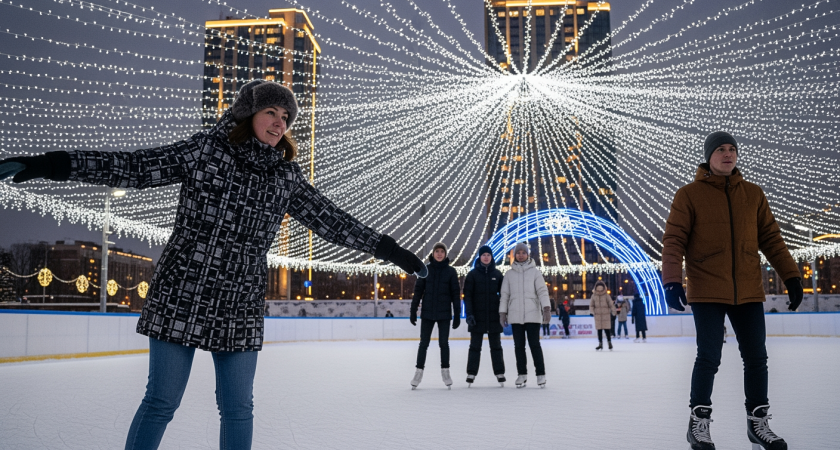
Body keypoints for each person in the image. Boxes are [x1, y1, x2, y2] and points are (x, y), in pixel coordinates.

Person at [0, 79, 426, 450]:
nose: (280, 123)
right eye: (271, 112)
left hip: (238, 300)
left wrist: (393, 252)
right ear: (248, 114)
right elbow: (133, 167)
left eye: (286, 117)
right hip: (183, 290)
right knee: (161, 400)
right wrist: (50, 164)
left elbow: (332, 221)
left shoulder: (285, 177)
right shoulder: (206, 150)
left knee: (238, 408)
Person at [662, 131, 803, 450]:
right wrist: (672, 280)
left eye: (732, 149)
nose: (728, 154)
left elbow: (771, 239)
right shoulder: (689, 195)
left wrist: (791, 276)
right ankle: (698, 423)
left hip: (748, 289)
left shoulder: (752, 194)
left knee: (757, 358)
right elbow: (674, 241)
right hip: (707, 288)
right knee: (708, 356)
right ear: (709, 156)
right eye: (721, 149)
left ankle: (758, 423)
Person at [410, 242, 461, 390]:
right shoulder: (425, 270)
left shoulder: (451, 272)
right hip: (427, 313)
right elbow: (418, 291)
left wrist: (457, 314)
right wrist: (413, 310)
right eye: (437, 251)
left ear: (445, 254)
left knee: (443, 344)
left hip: (444, 314)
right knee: (423, 344)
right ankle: (418, 373)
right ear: (433, 253)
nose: (439, 254)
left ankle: (446, 372)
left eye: (442, 251)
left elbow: (455, 294)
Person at [499, 242, 550, 388]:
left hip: (532, 314)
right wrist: (503, 313)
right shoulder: (509, 274)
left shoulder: (535, 272)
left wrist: (546, 308)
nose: (521, 255)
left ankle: (541, 375)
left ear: (528, 254)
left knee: (535, 345)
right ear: (514, 255)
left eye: (523, 252)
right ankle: (522, 374)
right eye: (518, 252)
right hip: (515, 315)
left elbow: (542, 291)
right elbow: (505, 295)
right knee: (519, 346)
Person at [463, 245, 506, 387]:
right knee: (475, 347)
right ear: (479, 257)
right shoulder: (472, 275)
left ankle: (500, 372)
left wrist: (503, 313)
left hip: (494, 318)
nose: (486, 257)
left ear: (492, 257)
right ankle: (471, 373)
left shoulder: (498, 275)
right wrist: (469, 314)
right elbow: (467, 296)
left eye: (488, 255)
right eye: (483, 255)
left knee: (496, 347)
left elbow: (505, 296)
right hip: (477, 318)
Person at [589, 280, 615, 351]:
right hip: (598, 316)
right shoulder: (594, 296)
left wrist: (614, 311)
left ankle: (608, 343)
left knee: (606, 330)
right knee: (600, 330)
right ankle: (602, 344)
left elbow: (611, 304)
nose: (600, 290)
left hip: (605, 315)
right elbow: (591, 305)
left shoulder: (606, 295)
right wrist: (592, 312)